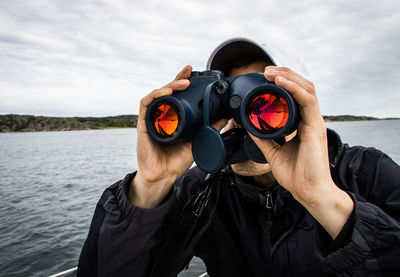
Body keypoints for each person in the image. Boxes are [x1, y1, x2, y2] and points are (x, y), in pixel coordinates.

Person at [77, 38, 400, 276]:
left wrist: (324, 199)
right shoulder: (200, 191)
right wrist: (150, 186)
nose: (241, 120)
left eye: (264, 102)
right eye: (227, 102)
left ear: (304, 109)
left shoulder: (367, 172)